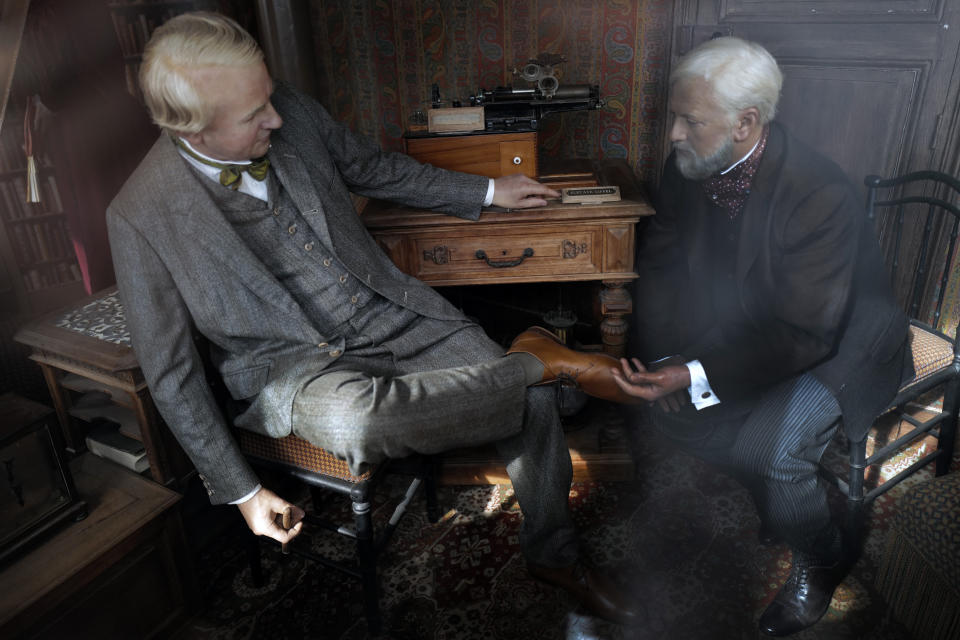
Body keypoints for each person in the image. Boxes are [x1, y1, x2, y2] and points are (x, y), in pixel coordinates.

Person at [106, 11, 641, 625]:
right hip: (295, 371)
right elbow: (171, 372)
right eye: (254, 116)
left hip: (391, 313)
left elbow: (375, 168)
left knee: (533, 401)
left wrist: (488, 192)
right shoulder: (139, 215)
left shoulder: (292, 111)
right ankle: (536, 362)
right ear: (193, 129)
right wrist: (243, 492)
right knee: (362, 422)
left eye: (269, 99)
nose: (276, 119)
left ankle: (555, 554)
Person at [610, 37, 914, 636]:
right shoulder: (687, 168)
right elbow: (665, 271)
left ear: (746, 123)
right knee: (673, 415)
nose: (671, 134)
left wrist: (697, 373)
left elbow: (806, 330)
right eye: (674, 116)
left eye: (688, 120)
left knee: (770, 455)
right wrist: (672, 359)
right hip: (764, 325)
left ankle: (825, 556)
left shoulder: (821, 192)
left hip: (843, 338)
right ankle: (783, 503)